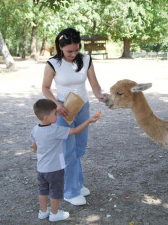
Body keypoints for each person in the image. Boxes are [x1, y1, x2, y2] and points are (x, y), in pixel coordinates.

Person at [42, 28, 108, 206]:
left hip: (83, 107)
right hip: (63, 110)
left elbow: (94, 84)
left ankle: (77, 183)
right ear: (60, 47)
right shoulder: (52, 63)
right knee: (68, 151)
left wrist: (100, 95)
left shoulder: (86, 59)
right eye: (69, 51)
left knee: (79, 149)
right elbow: (45, 88)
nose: (73, 54)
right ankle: (70, 192)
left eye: (76, 49)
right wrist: (57, 104)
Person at [31, 99, 99, 221]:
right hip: (55, 169)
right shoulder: (55, 130)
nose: (57, 115)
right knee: (55, 191)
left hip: (41, 168)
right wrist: (88, 121)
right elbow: (75, 131)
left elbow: (35, 147)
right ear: (46, 117)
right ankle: (55, 213)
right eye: (55, 114)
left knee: (42, 190)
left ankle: (43, 212)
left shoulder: (35, 130)